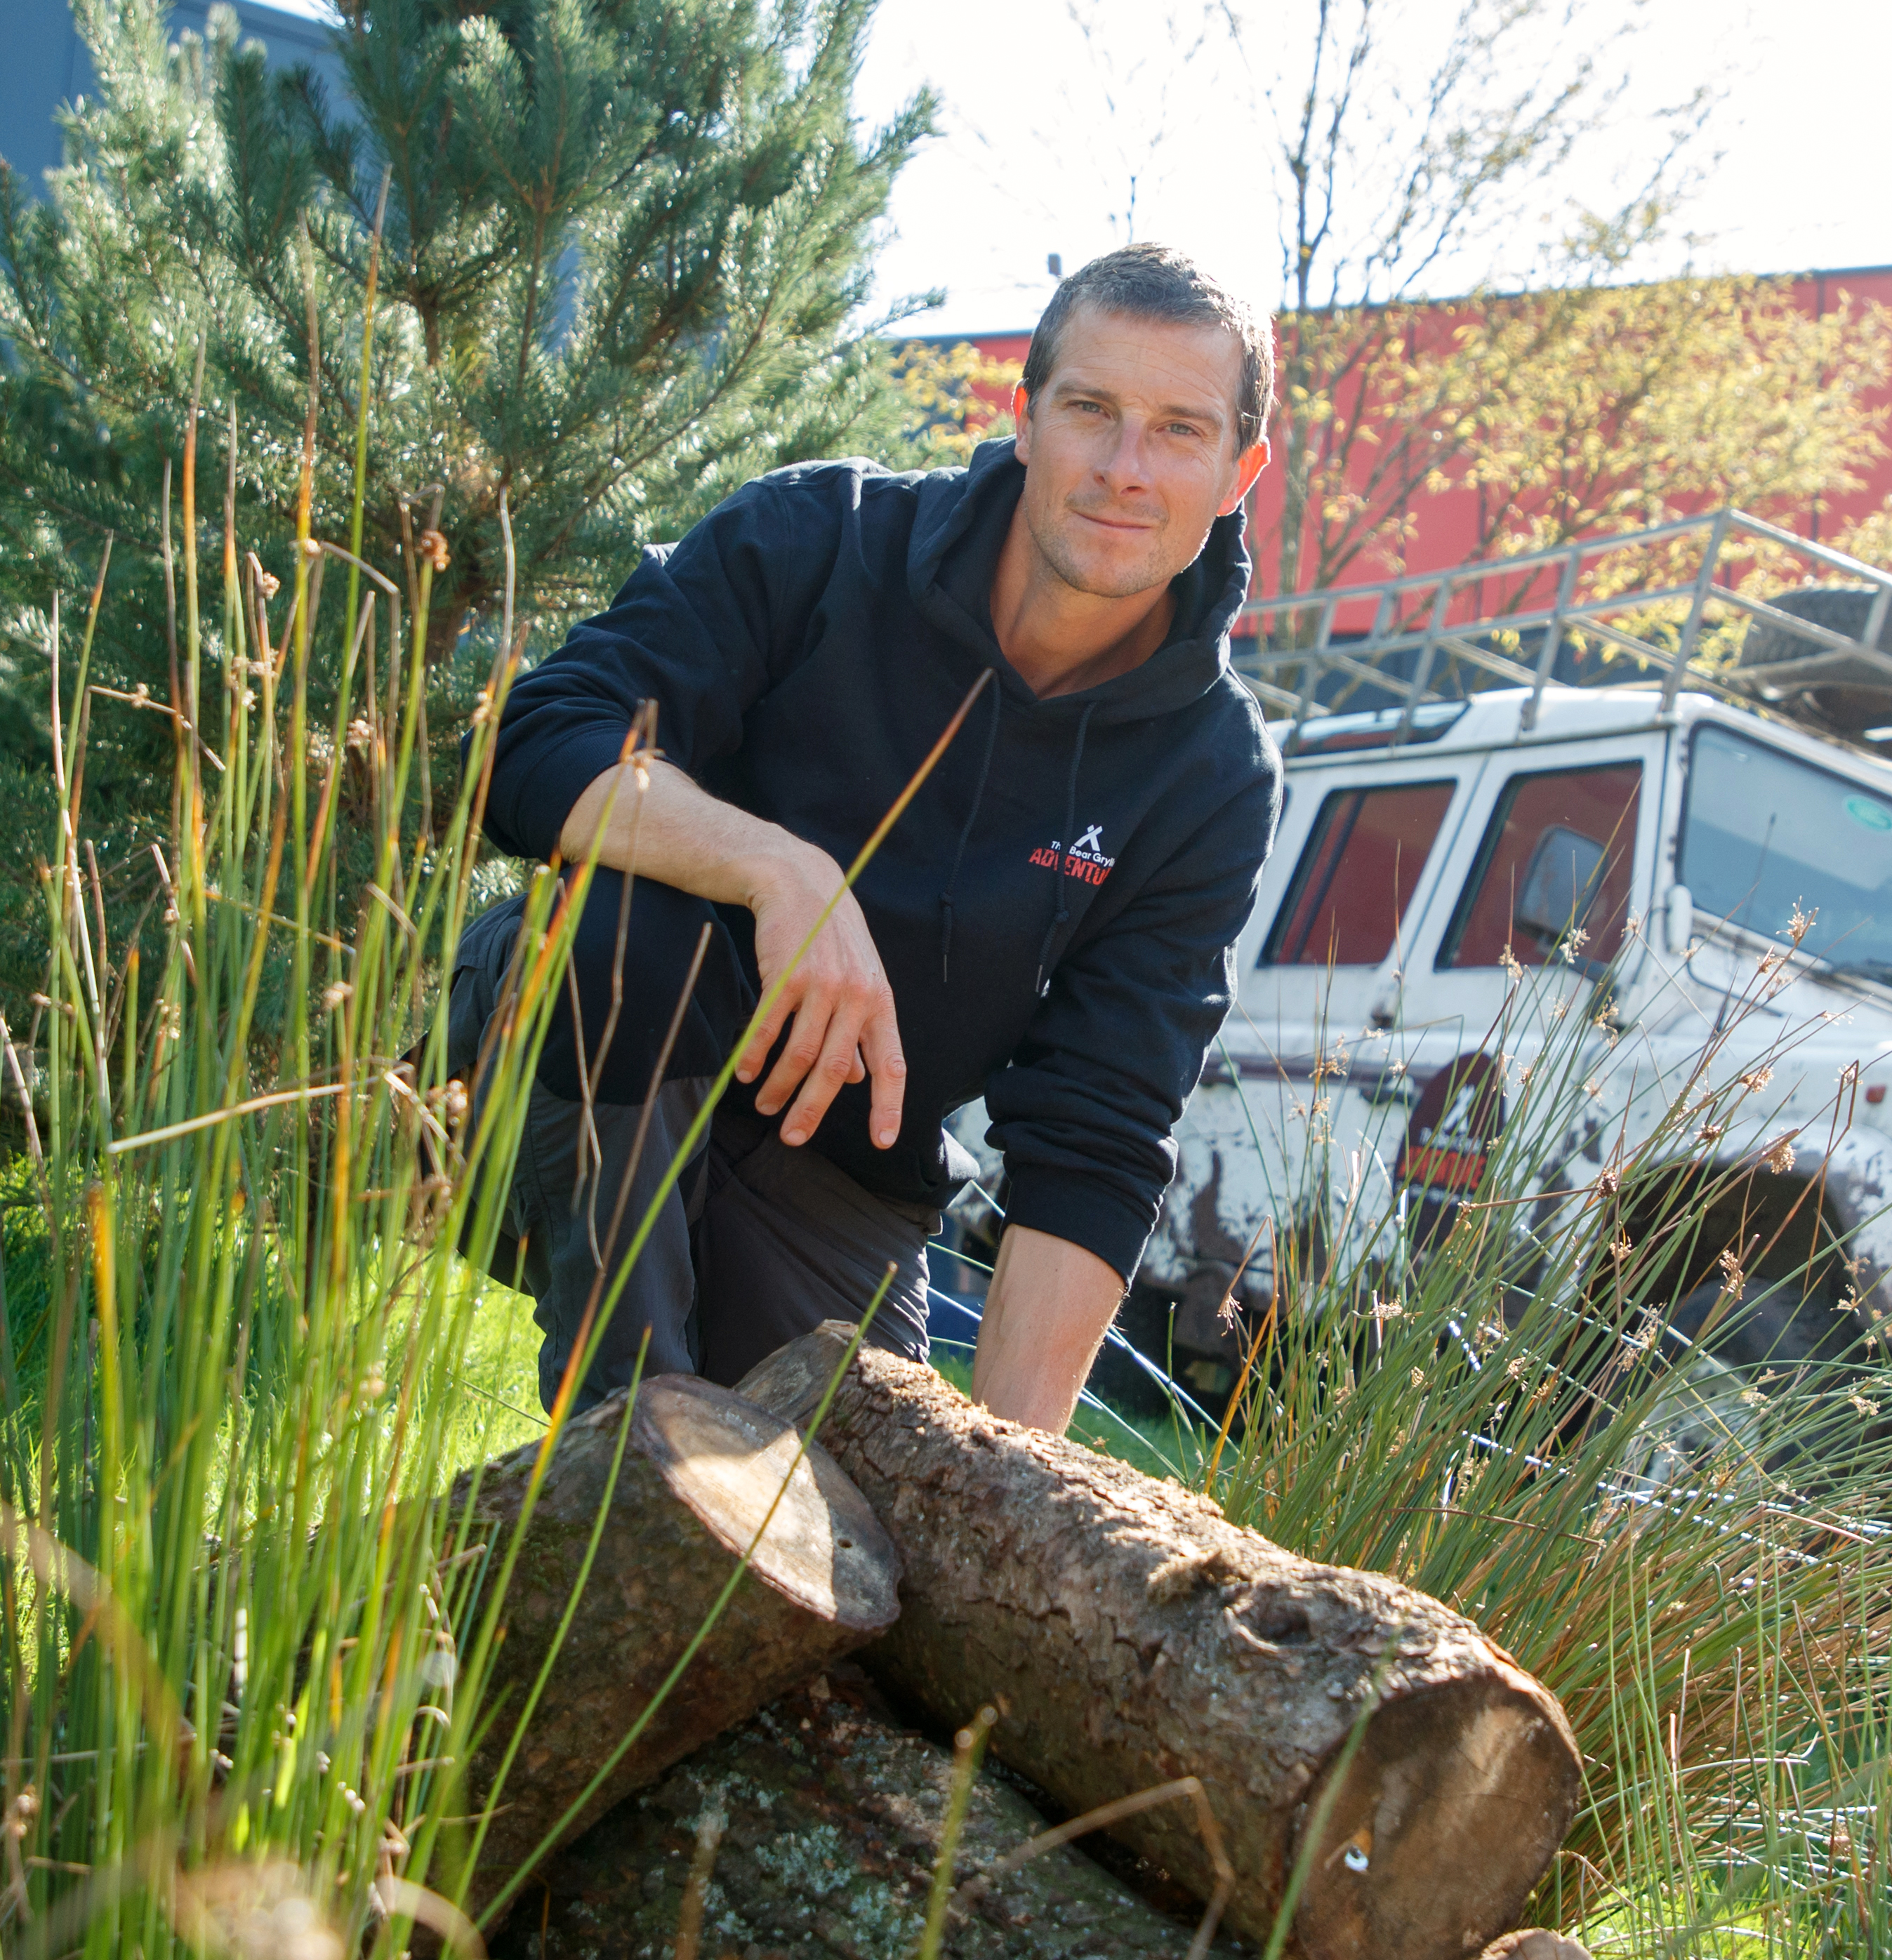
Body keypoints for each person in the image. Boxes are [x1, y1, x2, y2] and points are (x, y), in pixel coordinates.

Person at [451, 244, 1281, 1430]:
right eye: (1090, 409)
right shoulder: (818, 539)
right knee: (624, 933)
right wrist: (780, 870)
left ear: (1238, 470)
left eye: (1178, 431)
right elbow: (538, 743)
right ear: (1026, 417)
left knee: (860, 1546)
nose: (1123, 467)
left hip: (834, 1175)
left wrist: (1012, 1479)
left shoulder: (1213, 773)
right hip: (576, 1055)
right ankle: (623, 1459)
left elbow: (1096, 1132)